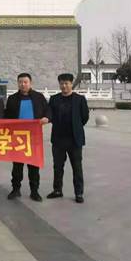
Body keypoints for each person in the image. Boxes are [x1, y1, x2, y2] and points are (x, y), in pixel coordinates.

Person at [5, 73, 51, 202]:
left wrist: (47, 118)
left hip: (33, 137)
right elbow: (6, 116)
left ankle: (34, 191)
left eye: (25, 82)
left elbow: (48, 111)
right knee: (17, 166)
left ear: (30, 83)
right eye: (20, 82)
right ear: (18, 83)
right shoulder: (12, 99)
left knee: (33, 166)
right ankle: (15, 189)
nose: (23, 84)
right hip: (17, 138)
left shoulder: (38, 97)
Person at [47, 73, 89, 203]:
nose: (64, 86)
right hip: (58, 139)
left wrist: (76, 126)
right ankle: (57, 190)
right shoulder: (54, 99)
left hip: (74, 140)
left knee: (77, 167)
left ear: (71, 84)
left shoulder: (79, 99)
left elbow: (84, 117)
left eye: (66, 83)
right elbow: (50, 115)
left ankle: (79, 193)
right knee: (57, 167)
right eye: (61, 83)